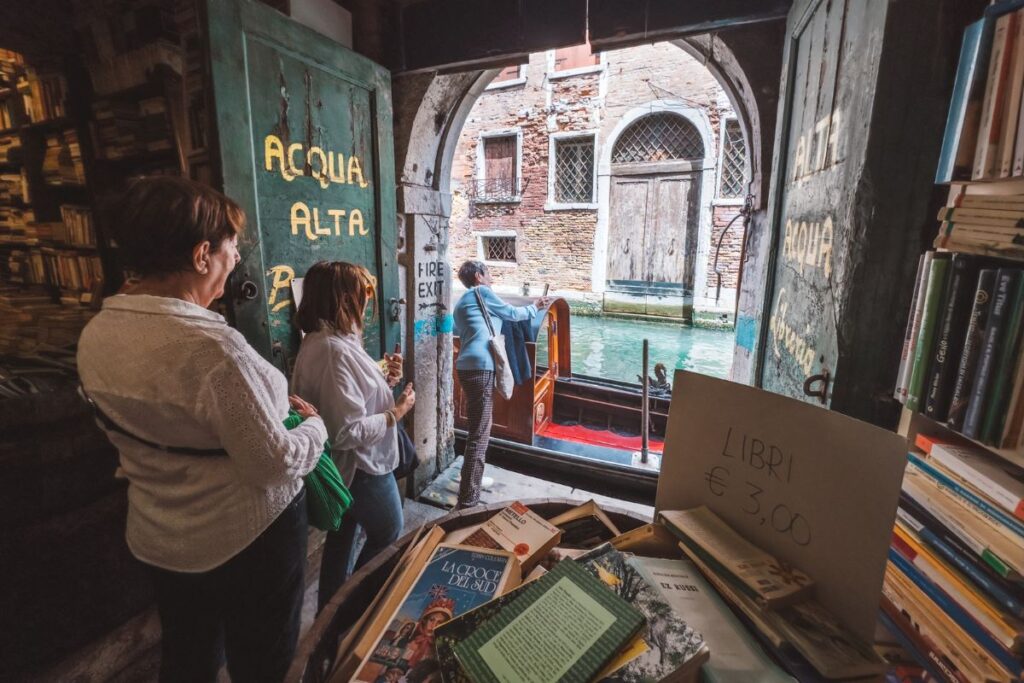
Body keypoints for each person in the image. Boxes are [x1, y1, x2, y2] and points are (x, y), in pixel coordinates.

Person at [77, 176, 328, 683]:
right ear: (200, 256)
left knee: (189, 657)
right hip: (248, 538)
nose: (235, 259)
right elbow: (273, 462)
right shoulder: (212, 351)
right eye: (230, 248)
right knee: (262, 663)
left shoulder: (97, 333)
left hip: (163, 537)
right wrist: (316, 429)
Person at [291, 261, 415, 611]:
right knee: (388, 533)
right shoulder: (333, 352)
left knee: (342, 540)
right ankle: (351, 607)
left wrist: (385, 381)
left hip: (348, 467)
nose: (366, 301)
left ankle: (330, 616)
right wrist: (397, 411)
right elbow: (346, 431)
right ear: (345, 299)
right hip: (361, 468)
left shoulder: (328, 341)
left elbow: (350, 400)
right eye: (363, 294)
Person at [452, 260, 548, 508]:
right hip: (481, 367)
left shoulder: (461, 302)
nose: (491, 277)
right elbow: (512, 314)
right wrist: (534, 306)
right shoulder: (482, 292)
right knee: (480, 435)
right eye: (489, 273)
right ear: (478, 276)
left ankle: (470, 482)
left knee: (478, 429)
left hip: (465, 367)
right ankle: (468, 498)